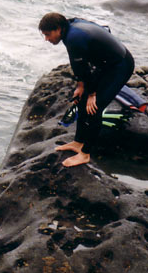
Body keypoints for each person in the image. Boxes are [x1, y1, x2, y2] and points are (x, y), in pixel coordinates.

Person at [39, 12, 135, 167]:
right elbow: (81, 67)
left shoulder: (74, 39)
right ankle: (78, 142)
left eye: (48, 35)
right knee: (82, 101)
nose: (47, 39)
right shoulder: (71, 25)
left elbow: (83, 68)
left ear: (58, 29)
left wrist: (92, 93)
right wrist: (81, 87)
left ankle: (85, 153)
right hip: (106, 65)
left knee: (94, 108)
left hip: (120, 66)